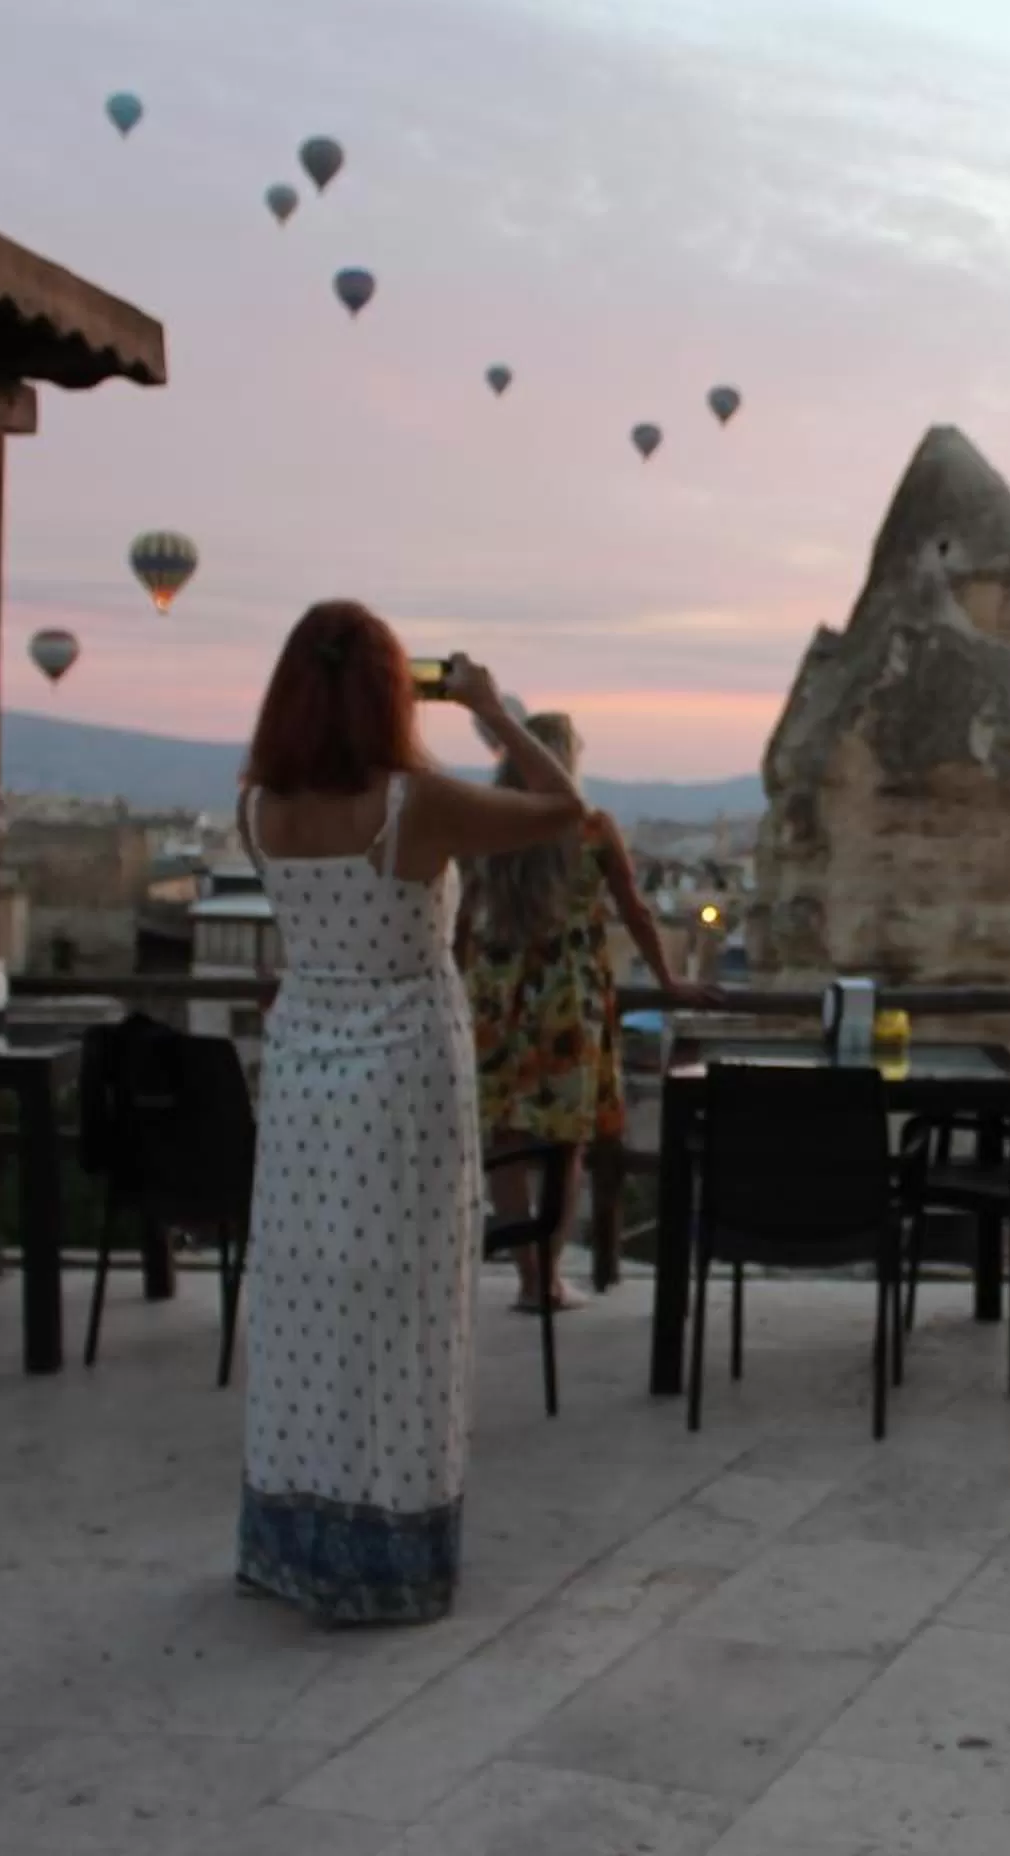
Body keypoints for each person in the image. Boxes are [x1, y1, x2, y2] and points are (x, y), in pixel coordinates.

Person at [234, 601, 586, 1627]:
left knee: (303, 1302)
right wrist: (492, 710)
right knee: (407, 1307)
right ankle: (387, 1549)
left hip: (302, 1069)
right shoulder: (411, 804)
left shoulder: (254, 809)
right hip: (402, 1074)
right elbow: (563, 807)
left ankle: (294, 1538)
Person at [458, 712, 709, 1314]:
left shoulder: (486, 823)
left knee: (506, 1139)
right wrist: (669, 979)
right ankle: (548, 1279)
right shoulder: (591, 828)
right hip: (568, 1000)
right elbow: (635, 909)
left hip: (496, 996)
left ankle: (525, 1276)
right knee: (565, 1144)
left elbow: (462, 918)